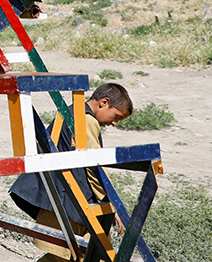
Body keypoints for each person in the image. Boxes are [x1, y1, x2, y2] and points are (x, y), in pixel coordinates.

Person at [9, 83, 133, 261]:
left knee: (66, 258)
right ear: (104, 103)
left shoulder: (71, 111)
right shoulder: (86, 120)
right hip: (70, 206)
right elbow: (94, 167)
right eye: (117, 116)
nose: (114, 123)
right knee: (81, 256)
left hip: (57, 200)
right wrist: (112, 205)